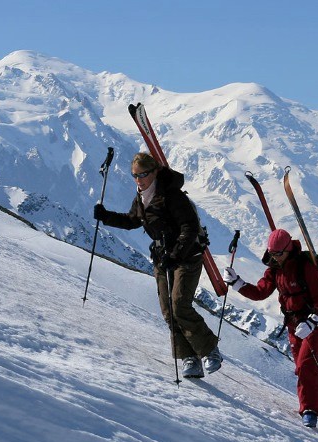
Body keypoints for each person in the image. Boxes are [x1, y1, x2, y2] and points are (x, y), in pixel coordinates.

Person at [94, 153, 222, 378]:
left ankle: (210, 351)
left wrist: (176, 253)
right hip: (164, 259)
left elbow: (189, 227)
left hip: (187, 257)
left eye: (143, 174)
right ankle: (189, 358)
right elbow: (133, 220)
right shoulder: (142, 197)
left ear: (155, 172)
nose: (139, 179)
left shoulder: (172, 196)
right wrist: (106, 217)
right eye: (135, 175)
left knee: (180, 304)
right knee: (168, 310)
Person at [222, 229, 318, 438]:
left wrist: (313, 321)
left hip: (315, 323)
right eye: (272, 254)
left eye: (278, 254)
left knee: (306, 364)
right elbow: (261, 292)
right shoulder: (275, 269)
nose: (275, 258)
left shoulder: (306, 268)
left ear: (289, 250)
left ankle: (309, 410)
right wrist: (238, 283)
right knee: (308, 368)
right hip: (294, 324)